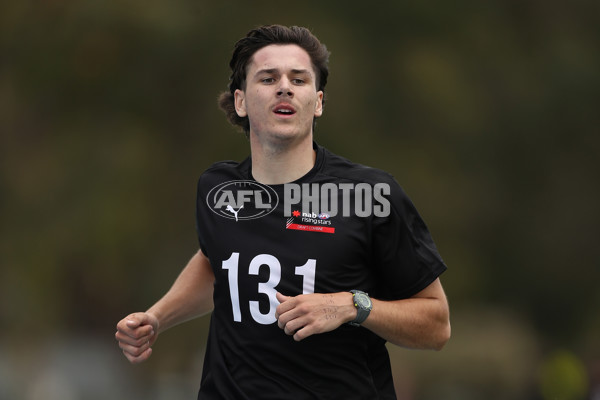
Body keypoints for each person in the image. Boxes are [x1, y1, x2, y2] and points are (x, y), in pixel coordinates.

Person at [115, 25, 451, 399]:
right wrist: (158, 317)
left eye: (299, 79)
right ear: (240, 101)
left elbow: (436, 326)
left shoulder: (369, 194)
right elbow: (215, 263)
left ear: (318, 101)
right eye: (268, 77)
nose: (285, 87)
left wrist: (353, 305)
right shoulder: (217, 188)